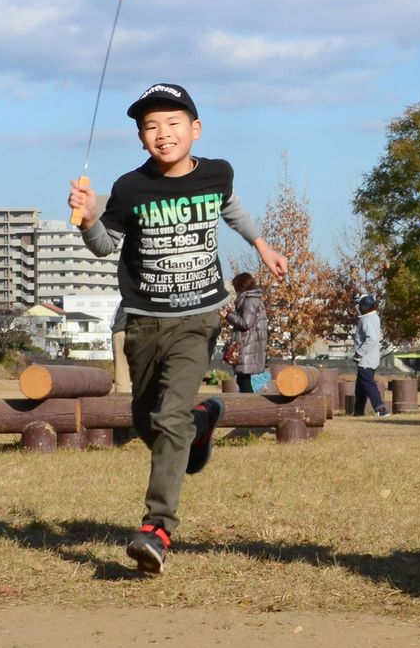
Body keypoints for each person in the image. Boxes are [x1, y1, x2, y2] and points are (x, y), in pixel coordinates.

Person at [68, 82, 288, 575]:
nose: (163, 133)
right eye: (151, 126)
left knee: (169, 419)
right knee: (149, 421)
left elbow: (230, 206)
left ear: (195, 128)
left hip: (198, 319)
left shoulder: (216, 173)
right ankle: (204, 421)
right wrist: (85, 221)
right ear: (141, 138)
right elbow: (105, 246)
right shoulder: (130, 188)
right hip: (144, 321)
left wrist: (262, 245)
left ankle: (157, 528)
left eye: (172, 123)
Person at [220, 271, 269, 393]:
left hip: (247, 345)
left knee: (243, 380)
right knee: (242, 380)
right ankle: (249, 406)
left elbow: (246, 323)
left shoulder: (250, 300)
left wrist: (228, 316)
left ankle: (249, 407)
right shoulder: (252, 299)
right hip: (249, 344)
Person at [352, 294, 389, 417]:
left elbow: (372, 339)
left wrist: (359, 353)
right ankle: (358, 411)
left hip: (365, 359)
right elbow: (361, 312)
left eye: (361, 306)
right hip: (372, 358)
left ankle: (381, 409)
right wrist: (356, 302)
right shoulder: (373, 316)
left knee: (368, 385)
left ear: (364, 307)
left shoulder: (366, 320)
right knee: (361, 387)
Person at [110, 302, 131, 393]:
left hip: (119, 331)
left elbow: (112, 324)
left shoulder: (122, 301)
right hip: (141, 331)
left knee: (121, 371)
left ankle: (122, 400)